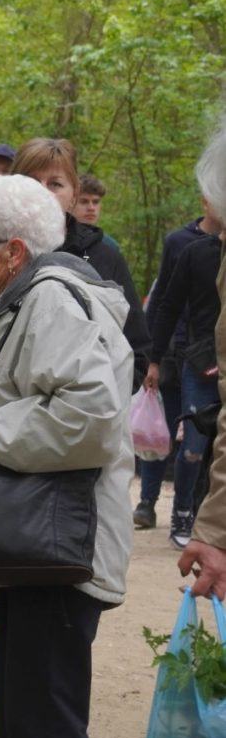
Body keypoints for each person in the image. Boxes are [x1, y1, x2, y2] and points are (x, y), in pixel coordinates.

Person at [0, 173, 134, 738]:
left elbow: (92, 417)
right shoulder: (27, 298)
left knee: (42, 722)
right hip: (43, 547)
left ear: (14, 250)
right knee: (24, 714)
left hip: (62, 548)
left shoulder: (51, 299)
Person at [11, 139, 151, 370]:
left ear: (73, 194)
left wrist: (98, 399)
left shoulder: (103, 255)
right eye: (32, 181)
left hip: (82, 401)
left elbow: (136, 348)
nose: (42, 192)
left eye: (55, 184)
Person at [136, 202, 222, 530]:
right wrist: (152, 358)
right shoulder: (184, 246)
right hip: (190, 358)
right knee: (180, 440)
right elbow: (164, 301)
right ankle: (166, 507)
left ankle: (203, 516)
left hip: (204, 356)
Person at [179, 115, 226, 599]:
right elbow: (170, 306)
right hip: (197, 360)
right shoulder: (190, 250)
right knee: (194, 445)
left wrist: (214, 531)